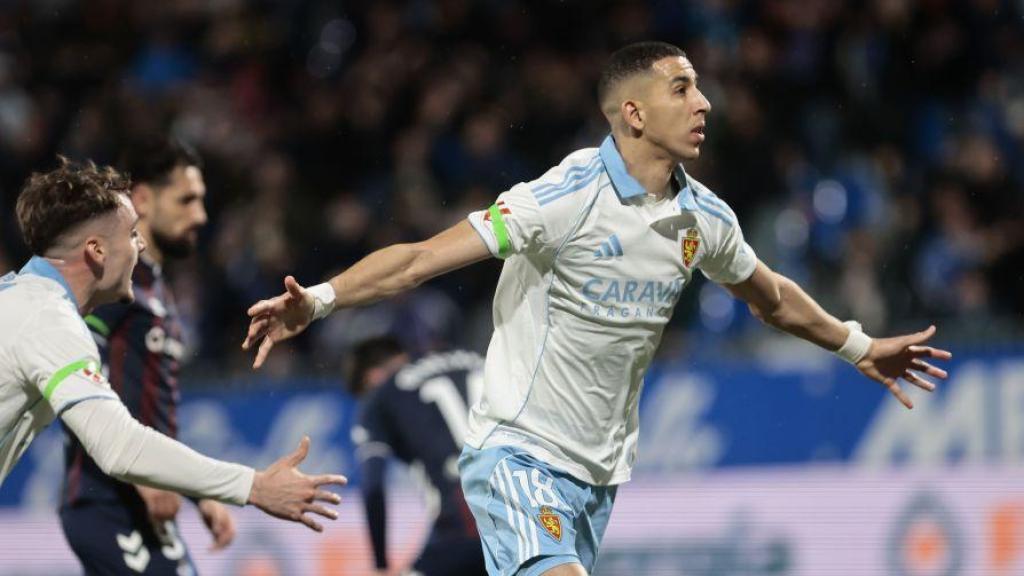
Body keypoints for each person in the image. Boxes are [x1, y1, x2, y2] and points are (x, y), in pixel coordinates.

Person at [242, 42, 952, 576]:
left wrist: (859, 346)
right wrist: (325, 300)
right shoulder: (565, 196)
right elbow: (422, 258)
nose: (704, 102)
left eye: (701, 88)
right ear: (633, 113)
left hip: (599, 478)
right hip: (517, 455)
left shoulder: (704, 217)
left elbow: (770, 297)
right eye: (683, 88)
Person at [0, 158, 346, 539]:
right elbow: (119, 446)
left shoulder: (24, 301)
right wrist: (254, 485)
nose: (142, 244)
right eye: (132, 234)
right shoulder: (49, 319)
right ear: (96, 250)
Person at [58, 138, 229, 575]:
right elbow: (71, 378)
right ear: (144, 199)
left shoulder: (157, 290)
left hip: (141, 500)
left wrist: (197, 491)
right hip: (105, 500)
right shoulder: (114, 285)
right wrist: (143, 477)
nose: (200, 216)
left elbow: (148, 413)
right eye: (187, 200)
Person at [347, 336, 487, 576]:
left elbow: (373, 488)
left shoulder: (382, 394)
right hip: (524, 521)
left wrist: (381, 565)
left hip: (461, 528)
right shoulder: (478, 359)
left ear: (371, 378)